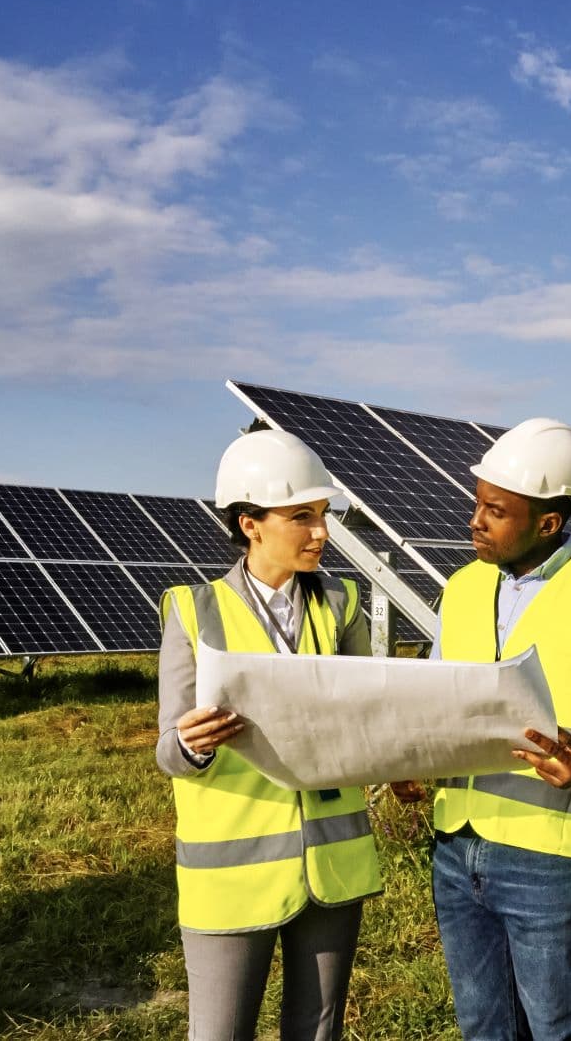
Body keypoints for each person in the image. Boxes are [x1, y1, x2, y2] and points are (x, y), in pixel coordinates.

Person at [401, 417, 571, 1041]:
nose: (475, 521)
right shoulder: (461, 587)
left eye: (495, 510)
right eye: (477, 504)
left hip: (552, 854)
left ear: (548, 522)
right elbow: (435, 699)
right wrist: (408, 756)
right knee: (483, 1027)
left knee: (559, 1028)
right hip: (457, 845)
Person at [156, 427, 380, 1041]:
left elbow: (371, 718)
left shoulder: (343, 605)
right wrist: (194, 742)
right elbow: (168, 750)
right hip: (231, 872)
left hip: (332, 865)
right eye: (302, 517)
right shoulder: (192, 610)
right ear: (250, 523)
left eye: (324, 515)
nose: (322, 532)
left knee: (318, 1031)